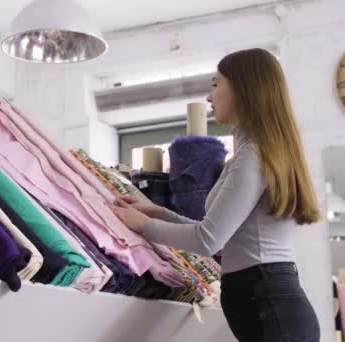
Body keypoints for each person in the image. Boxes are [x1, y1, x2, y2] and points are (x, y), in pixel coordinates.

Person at [111, 48, 321, 342]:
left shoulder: (253, 156)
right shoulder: (257, 154)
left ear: (243, 88)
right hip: (273, 303)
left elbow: (208, 241)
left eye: (215, 83)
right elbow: (224, 237)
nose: (210, 97)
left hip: (270, 308)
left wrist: (143, 226)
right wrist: (156, 212)